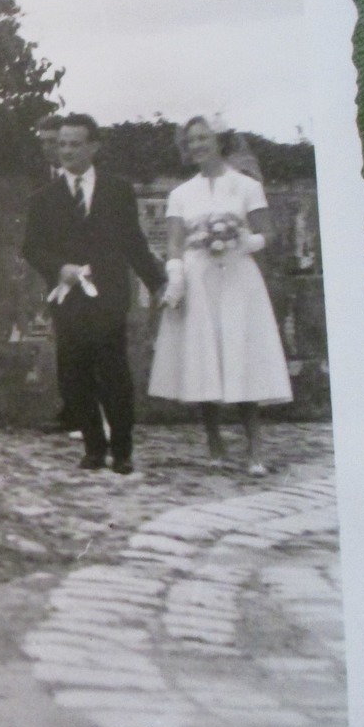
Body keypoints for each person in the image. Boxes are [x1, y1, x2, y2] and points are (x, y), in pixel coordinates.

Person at [22, 113, 166, 474]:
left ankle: (122, 450)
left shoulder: (116, 191)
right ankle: (92, 447)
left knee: (113, 372)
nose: (66, 150)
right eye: (62, 144)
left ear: (93, 147)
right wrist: (60, 268)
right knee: (74, 373)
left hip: (109, 296)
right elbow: (32, 248)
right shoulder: (44, 198)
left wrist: (157, 281)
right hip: (68, 296)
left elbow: (134, 241)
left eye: (74, 144)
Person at [149, 115, 292, 475]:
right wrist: (176, 276)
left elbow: (267, 233)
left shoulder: (245, 186)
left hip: (238, 278)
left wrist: (243, 241)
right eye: (190, 140)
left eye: (203, 138)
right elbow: (175, 242)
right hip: (199, 279)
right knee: (204, 356)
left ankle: (255, 446)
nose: (196, 145)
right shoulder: (181, 194)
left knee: (240, 353)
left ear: (219, 141)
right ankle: (214, 440)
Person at [35, 113, 77, 435]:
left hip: (88, 274)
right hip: (57, 274)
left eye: (55, 142)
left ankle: (94, 409)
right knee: (65, 342)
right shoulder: (43, 180)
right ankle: (71, 410)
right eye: (45, 142)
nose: (50, 148)